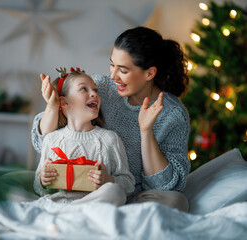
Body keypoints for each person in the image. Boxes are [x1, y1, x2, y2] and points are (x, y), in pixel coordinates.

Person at [32, 26, 191, 212]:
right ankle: (77, 212)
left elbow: (165, 186)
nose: (113, 76)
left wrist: (146, 131)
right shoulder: (100, 88)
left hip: (131, 196)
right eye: (112, 65)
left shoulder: (173, 114)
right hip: (80, 194)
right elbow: (43, 141)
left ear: (149, 73)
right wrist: (52, 107)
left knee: (176, 201)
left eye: (122, 70)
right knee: (8, 182)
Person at [34, 67, 135, 206]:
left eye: (95, 90)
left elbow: (129, 185)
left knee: (114, 191)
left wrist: (108, 180)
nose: (94, 93)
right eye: (84, 89)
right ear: (64, 102)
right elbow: (39, 188)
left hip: (94, 207)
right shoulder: (51, 139)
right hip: (57, 206)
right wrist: (42, 180)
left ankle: (75, 211)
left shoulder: (110, 139)